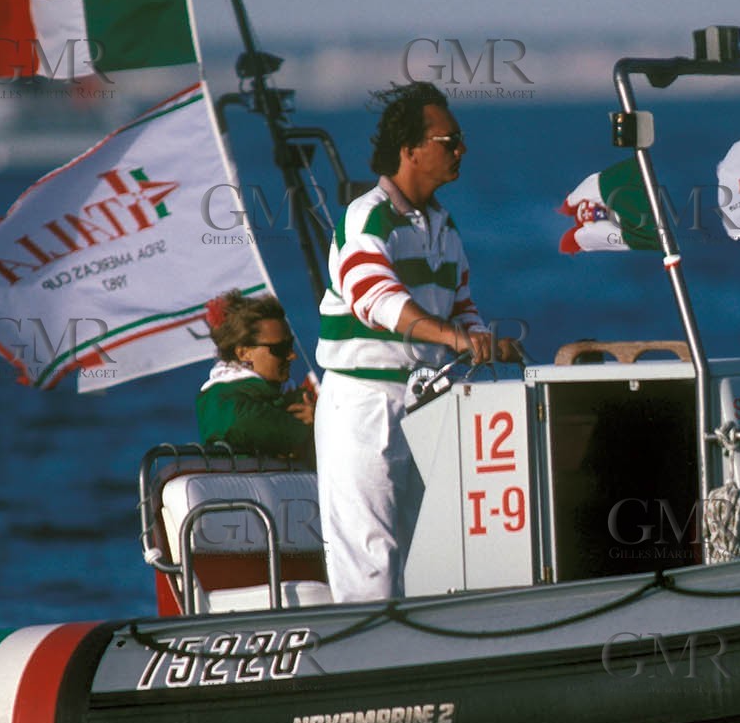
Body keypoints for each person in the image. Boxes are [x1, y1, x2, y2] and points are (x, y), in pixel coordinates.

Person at [314, 82, 517, 602]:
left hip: (422, 404)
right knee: (371, 560)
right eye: (449, 141)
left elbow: (462, 304)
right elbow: (375, 300)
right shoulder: (368, 216)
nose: (460, 150)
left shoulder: (443, 226)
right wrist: (455, 337)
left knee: (420, 553)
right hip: (365, 404)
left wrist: (482, 340)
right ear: (410, 151)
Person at [197, 291, 314, 460]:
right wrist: (319, 425)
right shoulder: (226, 405)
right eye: (280, 349)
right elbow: (246, 422)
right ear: (244, 353)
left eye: (290, 345)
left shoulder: (280, 395)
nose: (292, 355)